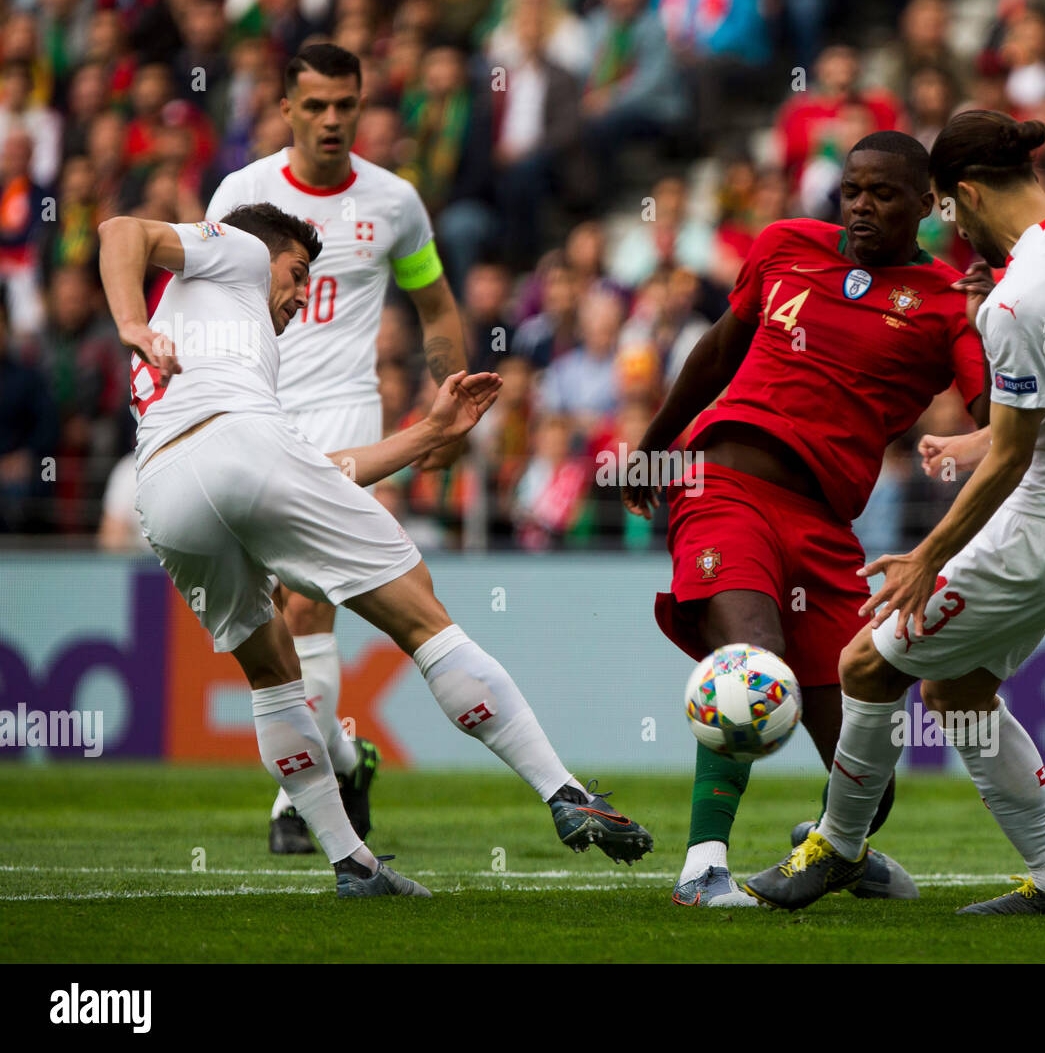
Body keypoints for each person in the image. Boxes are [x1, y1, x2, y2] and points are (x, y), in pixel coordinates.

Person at [99, 202, 653, 897]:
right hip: (241, 447)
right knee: (420, 612)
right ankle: (564, 791)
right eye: (298, 275)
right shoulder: (237, 253)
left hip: (166, 494)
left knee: (271, 669)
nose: (303, 295)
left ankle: (352, 864)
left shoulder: (210, 340)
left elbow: (307, 472)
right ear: (260, 252)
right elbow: (120, 231)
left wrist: (426, 434)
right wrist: (130, 325)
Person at [746, 111, 1045, 915]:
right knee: (956, 693)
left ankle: (837, 848)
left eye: (947, 212)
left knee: (866, 664)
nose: (949, 231)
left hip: (1042, 533)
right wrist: (973, 443)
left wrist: (926, 555)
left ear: (963, 195)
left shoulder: (1018, 298)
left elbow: (1015, 456)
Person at [625, 131, 991, 906]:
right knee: (751, 663)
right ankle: (702, 869)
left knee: (869, 767)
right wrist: (653, 446)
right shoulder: (785, 245)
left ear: (928, 206)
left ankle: (838, 847)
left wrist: (1003, 317)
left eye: (883, 194)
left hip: (827, 530)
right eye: (852, 189)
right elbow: (720, 348)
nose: (861, 205)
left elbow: (1003, 419)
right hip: (724, 487)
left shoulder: (948, 303)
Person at [205, 44, 469, 855]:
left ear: (361, 105)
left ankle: (295, 808)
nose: (330, 120)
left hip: (347, 420)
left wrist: (450, 407)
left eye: (345, 105)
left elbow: (436, 307)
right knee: (264, 621)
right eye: (314, 105)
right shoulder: (241, 194)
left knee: (309, 600)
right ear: (285, 108)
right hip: (253, 413)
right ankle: (345, 759)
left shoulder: (394, 203)